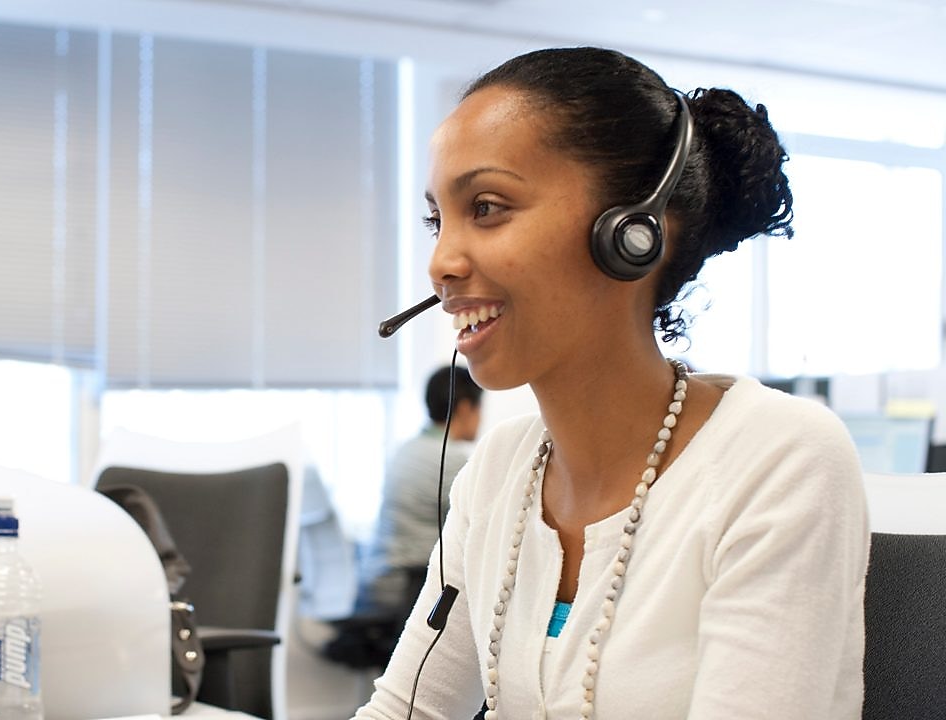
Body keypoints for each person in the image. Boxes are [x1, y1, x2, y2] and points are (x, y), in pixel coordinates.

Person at [353, 47, 868, 720]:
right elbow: (407, 711)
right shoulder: (499, 471)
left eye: (487, 206)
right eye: (436, 220)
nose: (441, 262)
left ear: (633, 233)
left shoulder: (777, 458)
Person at [326, 366, 482, 669]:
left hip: (378, 583)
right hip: (404, 589)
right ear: (465, 408)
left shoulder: (407, 450)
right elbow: (485, 528)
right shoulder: (451, 461)